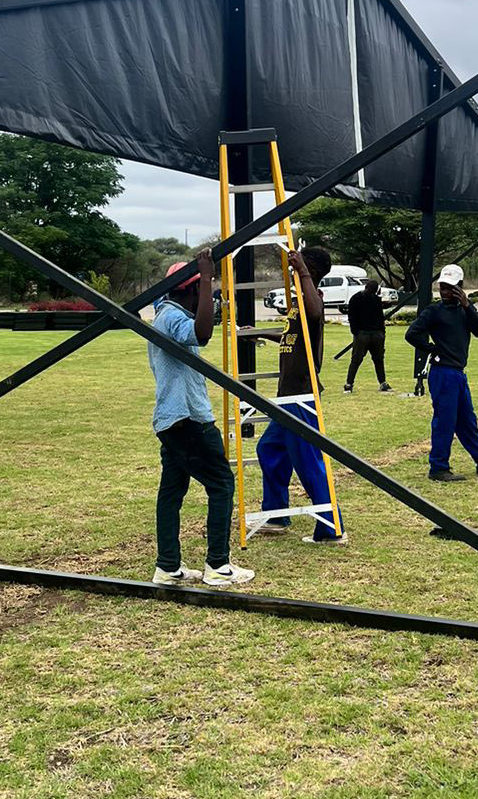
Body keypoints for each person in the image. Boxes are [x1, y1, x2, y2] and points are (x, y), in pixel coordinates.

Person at [147, 255, 253, 588]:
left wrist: (202, 281)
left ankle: (168, 567)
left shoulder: (163, 312)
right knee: (221, 484)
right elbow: (202, 333)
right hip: (189, 420)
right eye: (199, 293)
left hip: (172, 420)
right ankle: (218, 566)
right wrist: (207, 279)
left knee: (172, 491)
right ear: (190, 292)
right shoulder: (172, 317)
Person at [257, 247, 345, 544]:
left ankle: (330, 529)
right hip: (287, 395)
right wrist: (256, 333)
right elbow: (290, 336)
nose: (291, 268)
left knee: (308, 461)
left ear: (312, 270)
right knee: (268, 449)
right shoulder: (296, 301)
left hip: (301, 394)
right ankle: (277, 514)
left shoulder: (313, 298)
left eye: (298, 265)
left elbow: (316, 312)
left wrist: (303, 271)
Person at [405, 262, 478, 482]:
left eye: (450, 287)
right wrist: (433, 349)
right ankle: (438, 467)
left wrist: (468, 306)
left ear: (460, 287)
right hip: (443, 373)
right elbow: (412, 334)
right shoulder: (434, 311)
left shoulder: (465, 312)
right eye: (442, 287)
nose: (445, 292)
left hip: (457, 373)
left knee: (467, 421)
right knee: (444, 421)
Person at [343, 278, 391, 393]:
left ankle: (349, 384)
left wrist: (356, 332)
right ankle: (382, 383)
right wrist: (381, 332)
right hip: (368, 333)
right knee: (372, 360)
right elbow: (379, 317)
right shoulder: (372, 299)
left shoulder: (356, 298)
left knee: (359, 359)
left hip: (366, 334)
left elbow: (352, 317)